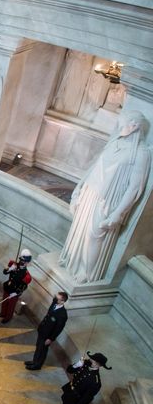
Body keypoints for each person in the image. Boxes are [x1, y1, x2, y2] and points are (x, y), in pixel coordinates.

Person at [59, 110, 151, 283]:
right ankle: (73, 261)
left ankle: (87, 272)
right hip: (90, 193)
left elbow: (134, 188)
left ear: (134, 126)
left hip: (108, 201)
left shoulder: (141, 153)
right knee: (80, 229)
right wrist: (77, 190)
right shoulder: (114, 142)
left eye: (122, 123)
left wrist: (118, 214)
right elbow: (93, 168)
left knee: (94, 235)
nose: (118, 127)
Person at [26, 292, 69, 370]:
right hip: (42, 330)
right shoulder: (54, 304)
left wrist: (51, 339)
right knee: (38, 347)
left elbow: (58, 329)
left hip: (48, 335)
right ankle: (34, 361)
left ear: (62, 301)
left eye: (57, 298)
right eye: (55, 297)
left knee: (42, 350)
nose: (55, 299)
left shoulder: (62, 315)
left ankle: (37, 365)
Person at [0, 249, 33, 323]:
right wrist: (10, 269)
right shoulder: (14, 265)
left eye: (23, 261)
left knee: (11, 306)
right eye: (21, 260)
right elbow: (4, 272)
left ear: (27, 262)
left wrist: (16, 293)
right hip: (8, 287)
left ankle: (8, 317)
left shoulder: (26, 275)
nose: (21, 262)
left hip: (14, 292)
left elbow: (24, 286)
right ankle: (3, 313)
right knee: (4, 303)